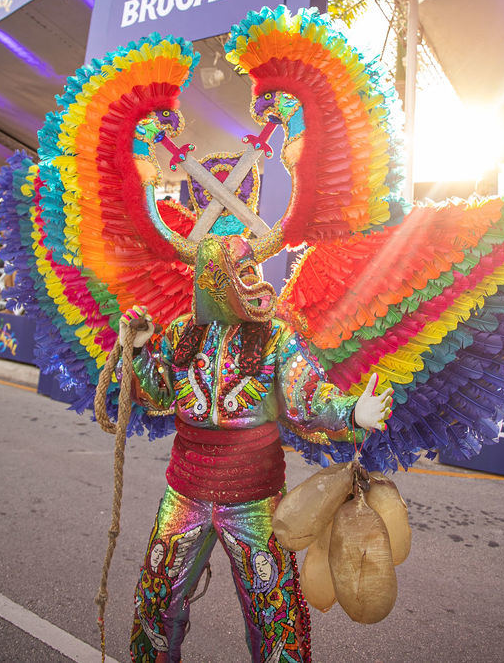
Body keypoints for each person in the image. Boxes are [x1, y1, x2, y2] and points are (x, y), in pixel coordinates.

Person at [119, 233, 391, 663]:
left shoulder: (277, 339)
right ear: (212, 281)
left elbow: (308, 398)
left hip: (256, 500)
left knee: (275, 616)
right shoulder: (179, 335)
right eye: (242, 274)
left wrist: (352, 410)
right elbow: (156, 396)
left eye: (254, 271)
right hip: (184, 496)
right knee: (156, 601)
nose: (257, 284)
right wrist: (136, 353)